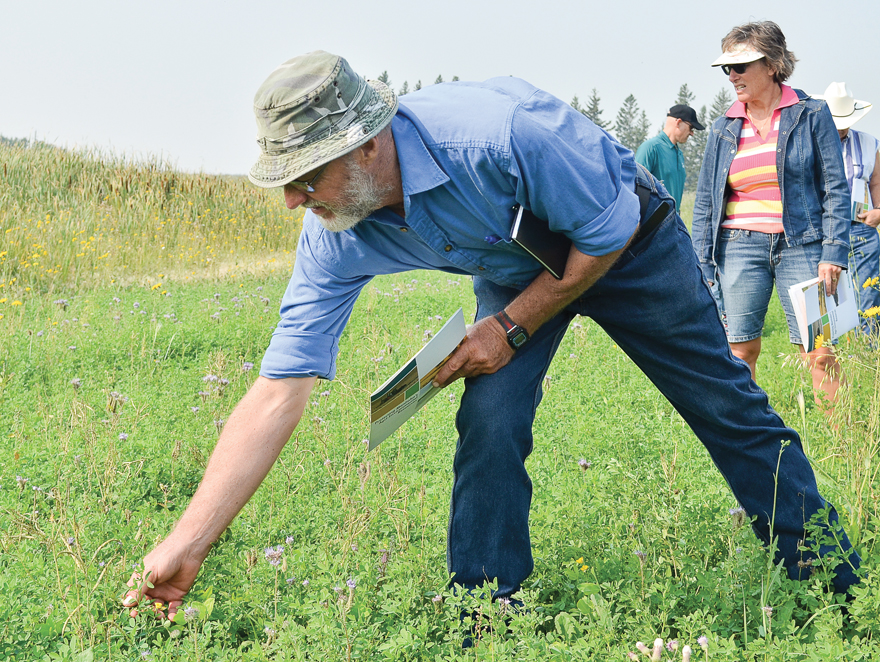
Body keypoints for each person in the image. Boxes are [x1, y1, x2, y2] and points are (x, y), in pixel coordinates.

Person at [122, 50, 861, 620]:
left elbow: (604, 238)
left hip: (627, 243)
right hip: (519, 262)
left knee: (725, 405)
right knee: (490, 417)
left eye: (306, 175)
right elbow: (277, 390)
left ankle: (833, 586)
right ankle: (486, 608)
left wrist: (507, 328)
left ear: (368, 147)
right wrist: (189, 542)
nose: (291, 200)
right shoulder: (335, 229)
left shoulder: (500, 137)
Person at [692, 21, 851, 415]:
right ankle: (750, 434)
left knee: (818, 348)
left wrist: (833, 250)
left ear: (773, 63)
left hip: (803, 245)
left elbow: (835, 187)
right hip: (738, 247)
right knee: (739, 348)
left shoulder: (811, 114)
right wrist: (701, 260)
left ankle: (841, 442)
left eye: (742, 66)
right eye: (728, 68)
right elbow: (706, 204)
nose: (732, 75)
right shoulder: (723, 127)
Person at [814, 82, 879, 337]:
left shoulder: (869, 143)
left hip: (861, 229)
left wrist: (879, 211)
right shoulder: (812, 142)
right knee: (826, 293)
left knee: (868, 292)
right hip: (825, 231)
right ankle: (828, 349)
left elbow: (876, 181)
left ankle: (868, 348)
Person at [635, 104, 704, 209]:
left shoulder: (679, 154)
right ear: (679, 122)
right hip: (652, 222)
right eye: (691, 127)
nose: (692, 133)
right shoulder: (650, 148)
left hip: (673, 220)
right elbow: (636, 189)